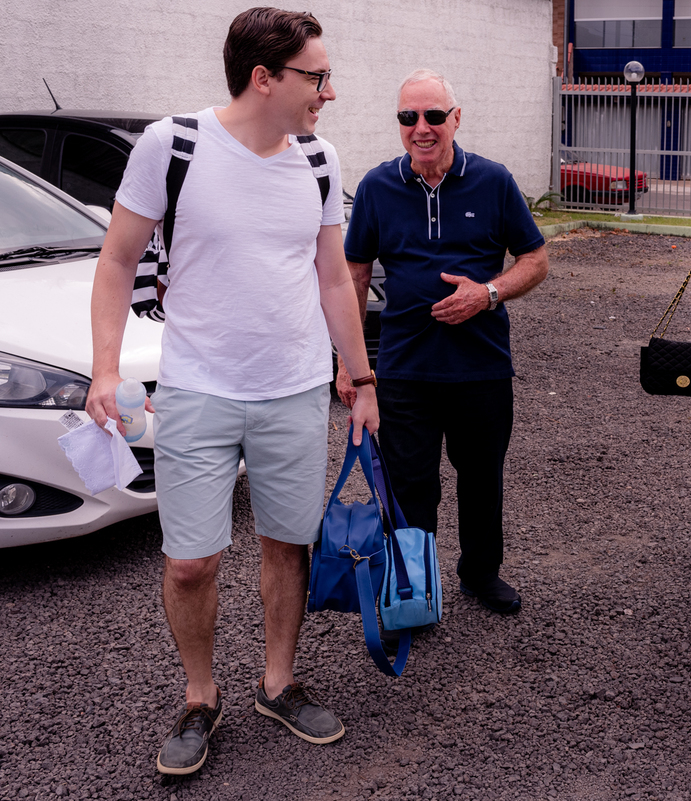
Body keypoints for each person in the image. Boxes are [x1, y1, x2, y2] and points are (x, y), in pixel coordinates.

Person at [85, 7, 378, 776]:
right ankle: (200, 694)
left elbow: (331, 277)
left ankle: (277, 681)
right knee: (191, 561)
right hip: (197, 388)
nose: (330, 92)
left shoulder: (319, 159)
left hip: (293, 388)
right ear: (265, 78)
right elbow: (116, 261)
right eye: (318, 76)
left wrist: (361, 376)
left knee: (288, 544)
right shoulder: (172, 145)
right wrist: (105, 370)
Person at [337, 68, 548, 615]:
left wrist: (490, 293)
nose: (422, 128)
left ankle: (480, 574)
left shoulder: (493, 181)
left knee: (481, 479)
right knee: (410, 488)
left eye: (434, 116)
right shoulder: (378, 187)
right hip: (405, 369)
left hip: (481, 367)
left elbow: (535, 260)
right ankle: (413, 590)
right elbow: (354, 276)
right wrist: (347, 360)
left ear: (457, 118)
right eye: (409, 117)